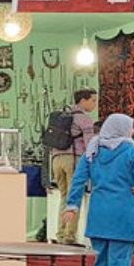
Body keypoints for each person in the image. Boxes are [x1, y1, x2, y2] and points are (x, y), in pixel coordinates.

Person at [62, 114, 134, 266]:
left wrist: (72, 206)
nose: (132, 131)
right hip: (124, 213)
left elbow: (78, 180)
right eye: (130, 127)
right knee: (120, 262)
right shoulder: (132, 152)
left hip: (99, 213)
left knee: (101, 260)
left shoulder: (92, 151)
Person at [50, 89, 99, 243]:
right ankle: (69, 236)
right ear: (83, 101)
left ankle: (60, 233)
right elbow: (90, 145)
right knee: (74, 197)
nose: (94, 104)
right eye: (93, 100)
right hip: (74, 160)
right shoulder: (84, 119)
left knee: (64, 196)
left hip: (56, 159)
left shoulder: (62, 116)